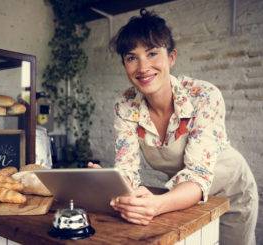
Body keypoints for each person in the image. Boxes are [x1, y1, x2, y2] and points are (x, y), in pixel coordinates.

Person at [88, 9, 258, 245]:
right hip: (181, 195)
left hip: (231, 193)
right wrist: (111, 185)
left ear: (171, 57)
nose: (142, 67)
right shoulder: (125, 105)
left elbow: (198, 174)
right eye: (131, 57)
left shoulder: (204, 96)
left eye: (152, 53)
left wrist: (157, 204)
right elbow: (126, 167)